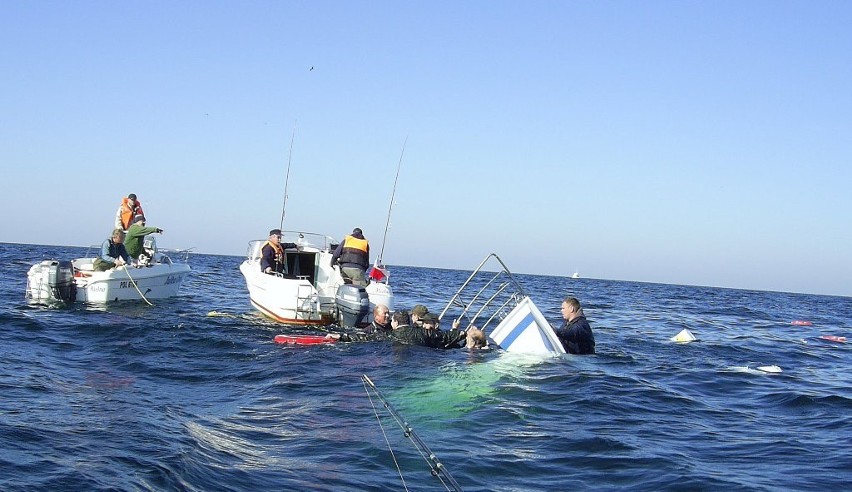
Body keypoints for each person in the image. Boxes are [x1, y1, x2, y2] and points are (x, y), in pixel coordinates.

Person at [389, 311, 469, 349]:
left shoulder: (389, 335)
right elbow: (448, 336)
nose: (424, 325)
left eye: (427, 322)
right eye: (423, 323)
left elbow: (447, 337)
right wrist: (457, 331)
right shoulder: (423, 333)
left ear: (396, 322)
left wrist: (455, 330)